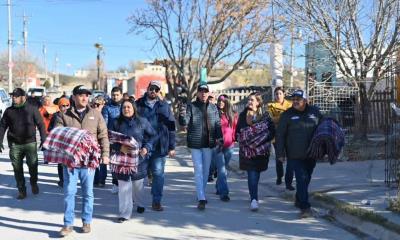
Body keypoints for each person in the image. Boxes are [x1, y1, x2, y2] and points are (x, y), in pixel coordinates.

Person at [55, 85, 109, 236]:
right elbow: (57, 135)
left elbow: (103, 135)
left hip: (89, 161)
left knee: (88, 193)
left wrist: (105, 154)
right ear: (73, 97)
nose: (84, 98)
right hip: (70, 162)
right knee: (69, 193)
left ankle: (86, 221)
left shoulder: (96, 114)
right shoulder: (64, 115)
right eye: (81, 95)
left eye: (87, 95)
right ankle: (67, 224)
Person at [275, 89, 322, 218]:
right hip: (294, 154)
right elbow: (280, 135)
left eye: (298, 99)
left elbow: (323, 129)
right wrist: (280, 153)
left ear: (305, 100)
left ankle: (299, 198)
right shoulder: (287, 115)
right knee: (301, 178)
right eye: (293, 99)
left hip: (312, 153)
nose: (295, 101)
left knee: (306, 178)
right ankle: (305, 207)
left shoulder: (315, 112)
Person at [110, 99, 156, 222]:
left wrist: (147, 148)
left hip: (139, 158)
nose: (126, 109)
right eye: (124, 107)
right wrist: (119, 147)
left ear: (134, 108)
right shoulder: (115, 122)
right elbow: (109, 139)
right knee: (124, 188)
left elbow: (153, 135)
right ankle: (124, 214)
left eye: (129, 107)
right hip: (121, 159)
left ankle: (140, 204)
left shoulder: (142, 121)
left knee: (137, 185)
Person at [179, 83, 223, 210]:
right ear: (197, 93)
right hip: (195, 143)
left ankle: (201, 193)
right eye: (201, 91)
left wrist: (220, 138)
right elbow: (184, 122)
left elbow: (217, 124)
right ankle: (202, 197)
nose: (203, 93)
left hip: (209, 144)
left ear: (208, 93)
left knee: (205, 171)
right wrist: (182, 115)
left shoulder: (213, 108)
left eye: (205, 91)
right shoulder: (191, 106)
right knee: (198, 170)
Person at [136, 80, 176, 211]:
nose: (153, 91)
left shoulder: (164, 106)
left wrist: (172, 146)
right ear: (147, 89)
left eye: (156, 89)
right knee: (139, 175)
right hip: (142, 145)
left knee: (158, 174)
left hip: (160, 145)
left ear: (159, 92)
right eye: (151, 88)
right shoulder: (138, 104)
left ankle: (156, 201)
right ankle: (138, 201)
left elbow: (171, 127)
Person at [0, 88, 47, 200]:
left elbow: (40, 124)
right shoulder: (8, 111)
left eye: (16, 96)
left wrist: (43, 138)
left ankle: (33, 182)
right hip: (15, 144)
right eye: (12, 96)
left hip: (30, 143)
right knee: (17, 169)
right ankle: (22, 190)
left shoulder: (32, 109)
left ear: (23, 97)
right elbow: (2, 126)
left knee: (33, 166)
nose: (13, 98)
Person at [235, 92, 275, 211]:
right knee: (251, 173)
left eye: (252, 100)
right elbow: (238, 131)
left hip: (261, 151)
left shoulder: (265, 116)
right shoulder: (243, 115)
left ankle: (253, 193)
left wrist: (261, 139)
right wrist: (248, 136)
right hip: (247, 151)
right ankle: (254, 199)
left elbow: (272, 131)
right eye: (249, 100)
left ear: (258, 102)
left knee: (256, 174)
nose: (250, 102)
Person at [267, 87, 294, 190]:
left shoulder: (290, 104)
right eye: (276, 94)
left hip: (290, 135)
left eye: (280, 93)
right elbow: (272, 119)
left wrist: (281, 116)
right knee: (279, 158)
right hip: (277, 135)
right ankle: (279, 176)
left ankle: (289, 182)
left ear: (284, 94)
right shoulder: (271, 105)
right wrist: (285, 115)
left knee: (291, 159)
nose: (278, 96)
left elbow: (292, 117)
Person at [214, 94, 238, 202]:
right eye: (219, 100)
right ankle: (224, 193)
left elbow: (235, 129)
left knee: (223, 169)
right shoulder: (214, 114)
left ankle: (219, 185)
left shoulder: (232, 115)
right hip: (218, 146)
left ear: (227, 102)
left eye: (223, 101)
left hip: (230, 146)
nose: (220, 102)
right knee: (222, 169)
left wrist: (234, 139)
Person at [100, 86, 123, 192]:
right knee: (113, 162)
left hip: (125, 137)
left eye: (117, 95)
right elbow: (104, 123)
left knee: (123, 161)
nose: (115, 97)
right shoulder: (107, 108)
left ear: (121, 95)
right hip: (112, 137)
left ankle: (123, 181)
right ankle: (115, 182)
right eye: (113, 95)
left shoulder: (125, 106)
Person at [48, 97, 71, 187]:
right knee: (61, 162)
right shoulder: (55, 116)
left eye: (67, 105)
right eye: (63, 106)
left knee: (70, 162)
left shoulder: (72, 115)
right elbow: (49, 128)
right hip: (60, 142)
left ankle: (70, 179)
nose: (65, 107)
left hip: (70, 142)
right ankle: (62, 180)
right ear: (59, 106)